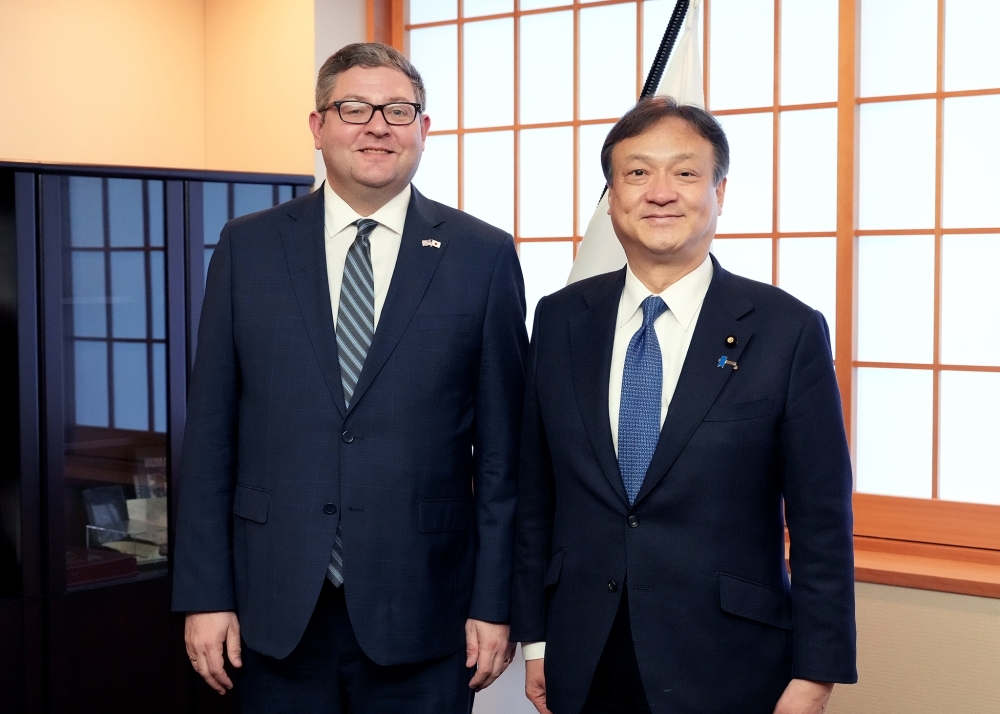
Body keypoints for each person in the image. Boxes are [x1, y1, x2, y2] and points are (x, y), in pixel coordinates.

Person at [172, 42, 528, 714]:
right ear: (318, 126)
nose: (378, 127)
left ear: (423, 128)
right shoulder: (247, 247)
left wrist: (494, 601)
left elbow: (504, 455)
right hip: (271, 604)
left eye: (398, 111)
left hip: (426, 604)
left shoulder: (481, 255)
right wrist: (205, 594)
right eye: (355, 108)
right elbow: (211, 434)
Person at [511, 96, 856, 714]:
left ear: (719, 192)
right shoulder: (560, 319)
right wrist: (535, 640)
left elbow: (821, 521)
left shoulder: (786, 330)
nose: (660, 192)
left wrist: (816, 673)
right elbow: (536, 496)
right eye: (637, 172)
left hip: (727, 659)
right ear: (611, 198)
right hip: (583, 653)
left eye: (686, 172)